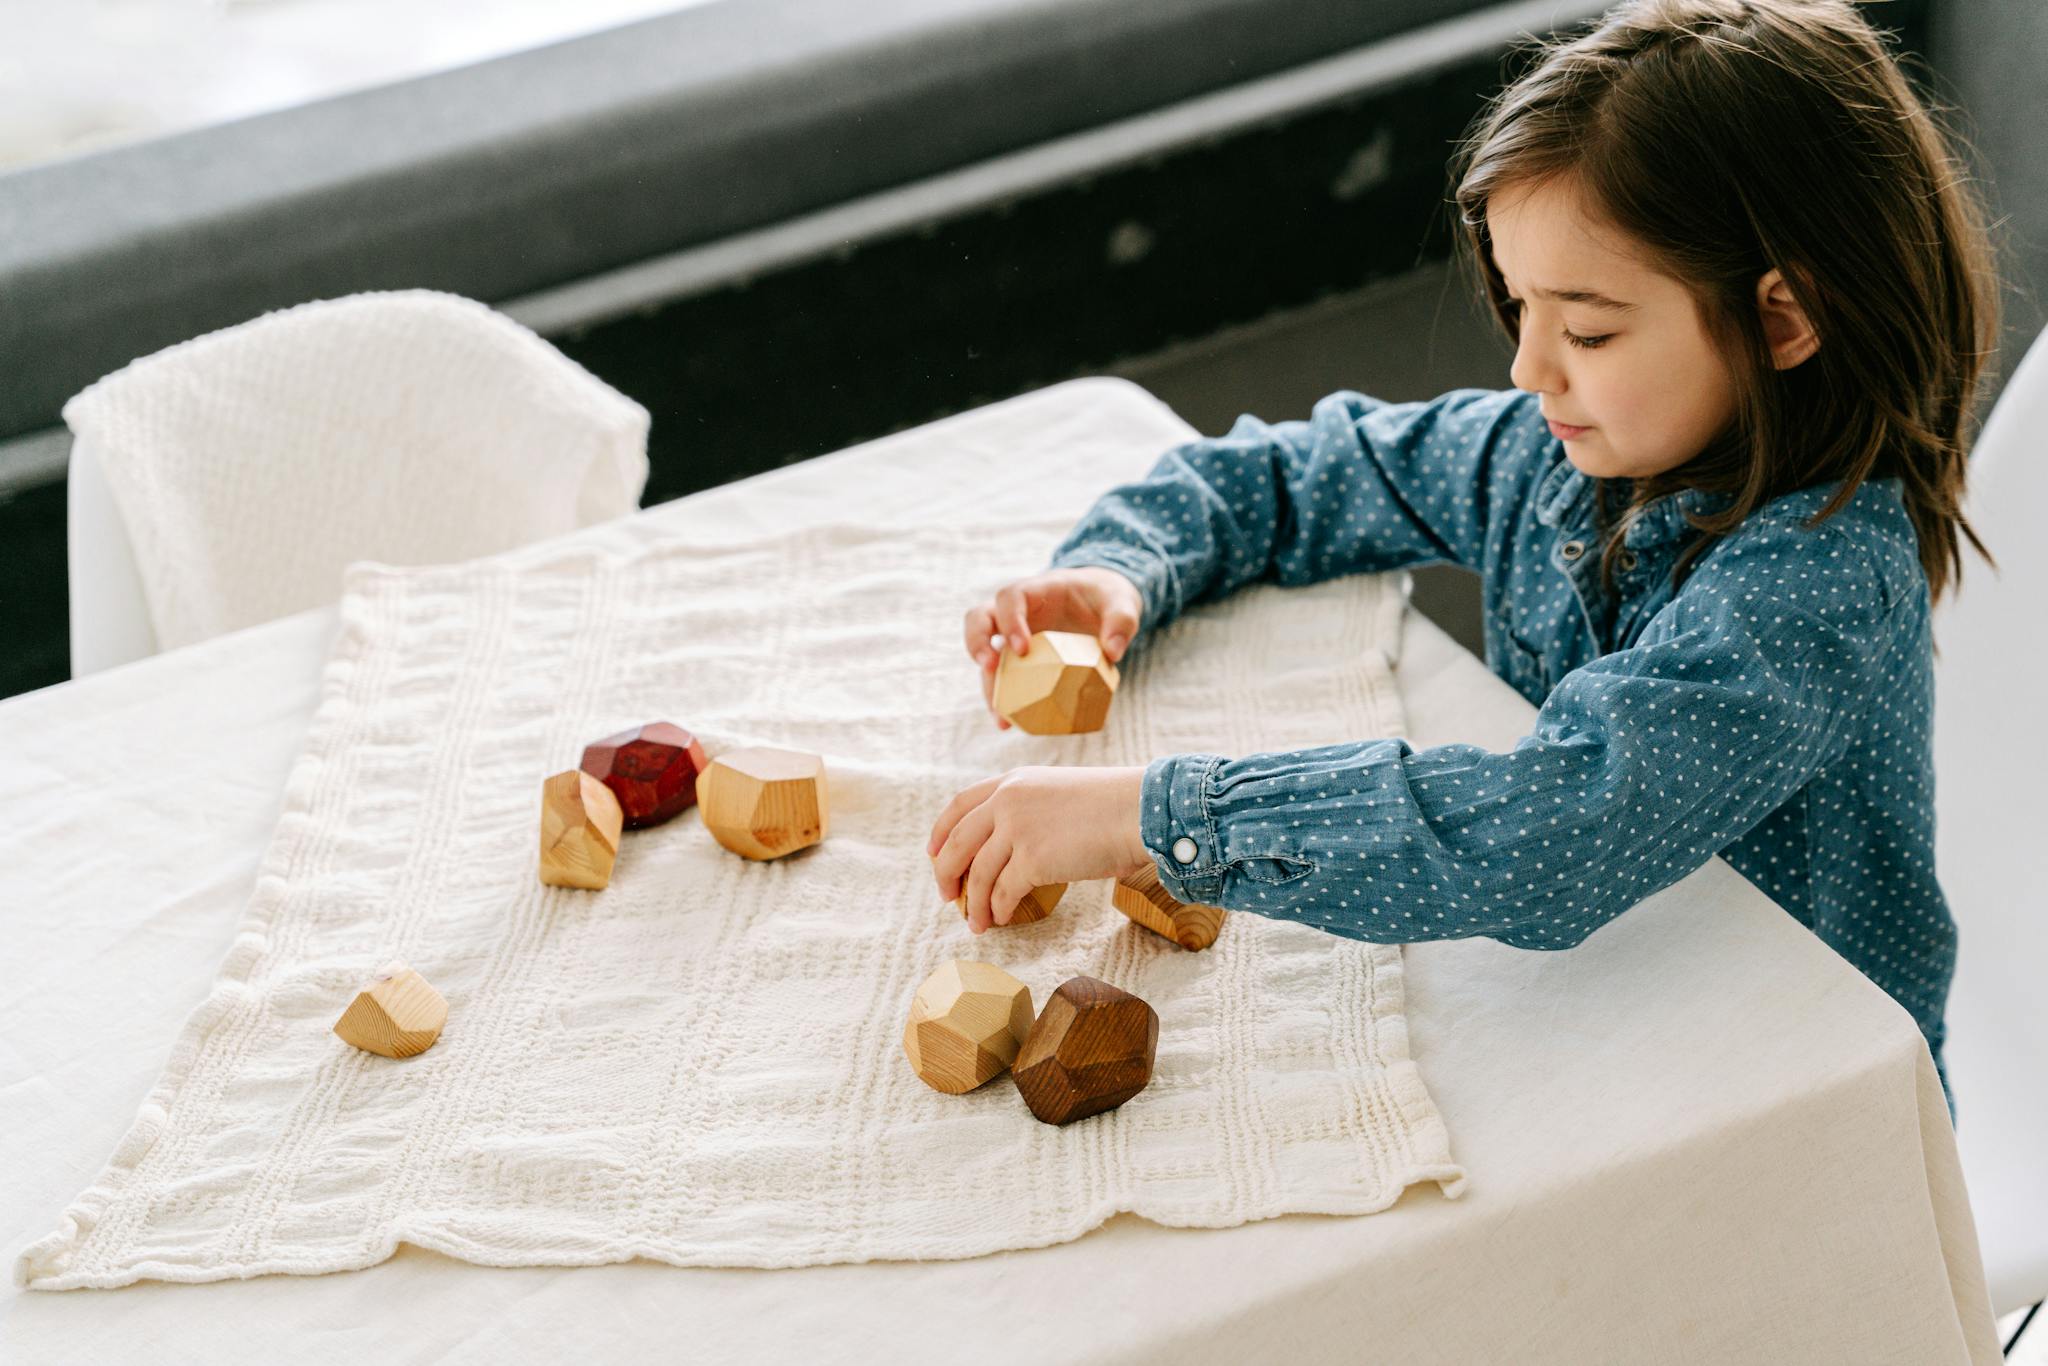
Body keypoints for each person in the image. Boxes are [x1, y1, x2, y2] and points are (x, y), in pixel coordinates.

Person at [925, 0, 2001, 1120]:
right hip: (1604, 1011)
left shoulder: (1815, 585)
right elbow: (1307, 475)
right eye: (1517, 305)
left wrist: (1166, 813)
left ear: (1782, 321)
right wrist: (1119, 568)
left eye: (1584, 331)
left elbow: (1546, 831)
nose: (1529, 369)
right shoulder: (1553, 455)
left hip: (1806, 1105)